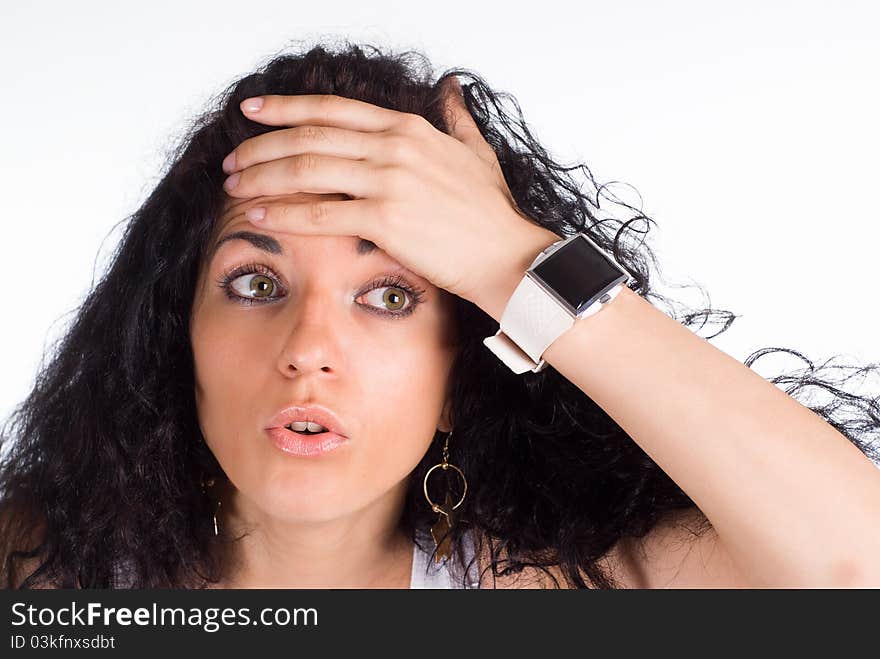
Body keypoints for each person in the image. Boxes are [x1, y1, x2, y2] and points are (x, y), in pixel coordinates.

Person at [2, 40, 879, 590]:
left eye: (389, 296)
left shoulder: (564, 590)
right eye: (256, 284)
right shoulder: (40, 576)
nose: (310, 350)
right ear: (175, 340)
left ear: (462, 371)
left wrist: (510, 261)